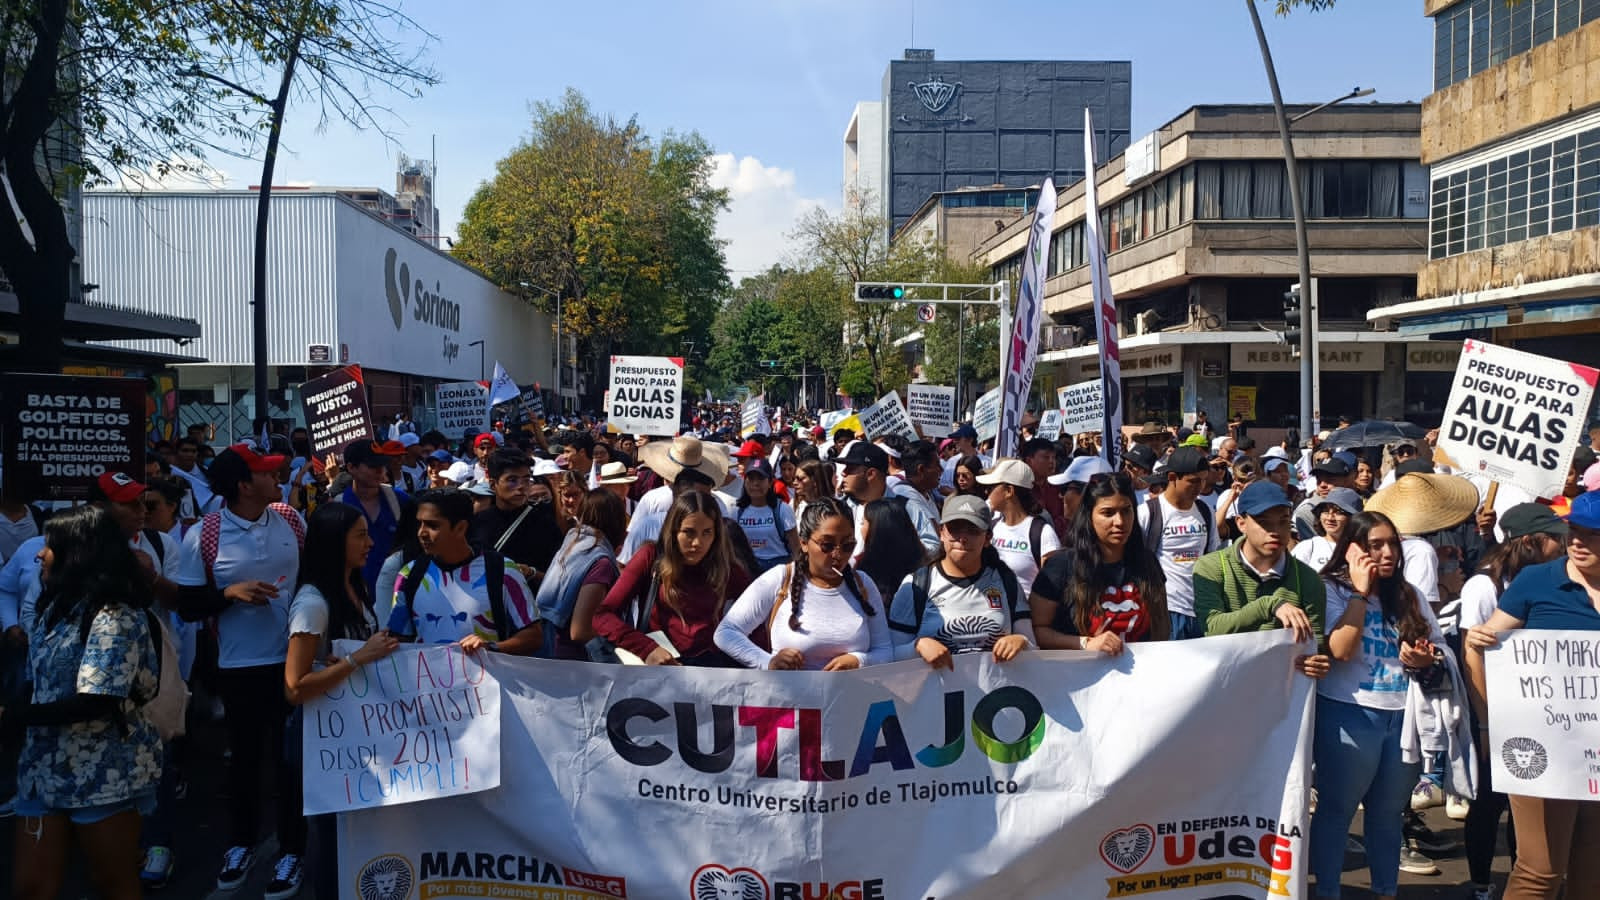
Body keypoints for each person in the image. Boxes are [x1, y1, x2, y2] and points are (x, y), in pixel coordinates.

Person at [3, 506, 160, 900]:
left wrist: (12, 716)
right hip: (43, 768)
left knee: (112, 884)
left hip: (103, 774)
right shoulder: (53, 608)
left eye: (50, 545)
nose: (40, 554)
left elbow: (97, 700)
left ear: (79, 552)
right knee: (31, 888)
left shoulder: (114, 616)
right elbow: (41, 685)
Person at [171, 444, 306, 895]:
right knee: (246, 760)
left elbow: (311, 581)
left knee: (291, 762)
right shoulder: (204, 534)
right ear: (244, 486)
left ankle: (293, 850)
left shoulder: (291, 518)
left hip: (295, 662)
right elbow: (188, 607)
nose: (277, 475)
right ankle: (241, 843)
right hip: (239, 666)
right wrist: (230, 594)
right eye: (266, 473)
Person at [1464, 490, 1600, 900]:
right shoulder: (1537, 580)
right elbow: (1479, 645)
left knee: (1592, 874)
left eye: (1590, 534)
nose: (1576, 541)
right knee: (1540, 870)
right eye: (1572, 531)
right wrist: (1491, 722)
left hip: (1596, 755)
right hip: (1542, 749)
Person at [1310, 510, 1445, 900]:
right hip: (1348, 713)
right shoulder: (1330, 588)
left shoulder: (1411, 595)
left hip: (1404, 718)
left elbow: (1437, 651)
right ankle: (1328, 892)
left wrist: (1425, 658)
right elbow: (1341, 650)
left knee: (1388, 816)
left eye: (1392, 544)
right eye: (1375, 546)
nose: (1388, 553)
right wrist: (1359, 591)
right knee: (1337, 810)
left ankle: (1386, 891)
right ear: (1352, 550)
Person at [282, 504, 399, 900]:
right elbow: (295, 687)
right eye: (360, 536)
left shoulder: (353, 586)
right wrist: (356, 659)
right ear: (335, 543)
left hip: (351, 734)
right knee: (332, 839)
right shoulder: (313, 603)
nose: (371, 543)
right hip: (321, 740)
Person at [1455, 504, 1566, 900]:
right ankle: (1481, 883)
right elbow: (1473, 654)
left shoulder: (1553, 582)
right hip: (1492, 710)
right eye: (1556, 537)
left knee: (1529, 799)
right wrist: (1485, 721)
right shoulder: (1483, 587)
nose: (1565, 544)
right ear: (1530, 542)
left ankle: (1526, 869)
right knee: (1488, 802)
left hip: (1534, 712)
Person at [715, 497, 892, 670]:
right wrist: (768, 662)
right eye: (827, 545)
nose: (838, 555)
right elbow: (726, 632)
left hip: (849, 697)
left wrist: (859, 660)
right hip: (790, 698)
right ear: (804, 543)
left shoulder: (864, 584)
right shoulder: (780, 578)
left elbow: (885, 651)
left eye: (847, 545)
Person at [595, 491, 750, 666]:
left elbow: (760, 614)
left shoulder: (725, 567)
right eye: (689, 532)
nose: (697, 542)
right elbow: (602, 615)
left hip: (710, 674)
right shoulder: (650, 557)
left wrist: (762, 660)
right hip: (659, 671)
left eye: (707, 532)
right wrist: (647, 649)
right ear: (673, 531)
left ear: (717, 534)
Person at [1194, 482, 1330, 677]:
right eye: (1264, 522)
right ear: (1241, 523)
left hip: (1278, 693)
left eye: (1283, 520)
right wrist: (1268, 605)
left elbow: (1314, 645)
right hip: (1223, 686)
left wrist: (1316, 663)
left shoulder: (1308, 579)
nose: (1275, 530)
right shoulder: (1211, 566)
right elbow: (1212, 629)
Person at [385, 489, 542, 655]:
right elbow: (399, 640)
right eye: (420, 523)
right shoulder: (409, 575)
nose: (421, 533)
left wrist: (491, 648)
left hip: (487, 679)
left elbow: (534, 635)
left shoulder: (503, 571)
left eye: (432, 525)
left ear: (460, 528)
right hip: (426, 680)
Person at [1028, 472, 1171, 653]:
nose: (1119, 521)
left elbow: (1161, 627)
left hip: (1138, 677)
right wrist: (1085, 644)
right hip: (1079, 677)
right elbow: (1036, 630)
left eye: (1126, 510)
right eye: (1108, 513)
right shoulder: (1061, 565)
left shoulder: (1148, 562)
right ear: (1089, 516)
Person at [891, 494, 1032, 667]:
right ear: (941, 533)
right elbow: (891, 655)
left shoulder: (1006, 581)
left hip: (997, 692)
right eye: (954, 528)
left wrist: (1021, 641)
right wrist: (917, 646)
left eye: (972, 530)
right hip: (934, 693)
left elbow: (1033, 648)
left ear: (987, 538)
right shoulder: (915, 586)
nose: (962, 538)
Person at [1136, 447, 1218, 640]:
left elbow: (1212, 557)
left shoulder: (1206, 512)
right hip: (1165, 610)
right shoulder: (1148, 512)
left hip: (1201, 609)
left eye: (1204, 479)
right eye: (1193, 481)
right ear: (1172, 477)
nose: (1200, 487)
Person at [533, 490, 625, 660]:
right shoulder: (600, 562)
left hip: (553, 647)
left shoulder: (574, 543)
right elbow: (581, 630)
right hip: (576, 663)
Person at [836, 442, 939, 560]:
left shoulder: (907, 508)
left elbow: (933, 547)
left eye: (850, 468)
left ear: (871, 474)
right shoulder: (841, 509)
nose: (843, 473)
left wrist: (897, 549)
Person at [471, 448, 562, 582]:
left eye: (526, 480)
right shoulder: (477, 522)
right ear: (492, 484)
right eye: (512, 480)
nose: (521, 487)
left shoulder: (544, 523)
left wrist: (532, 573)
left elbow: (560, 577)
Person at [337, 440, 410, 598]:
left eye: (382, 464)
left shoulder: (401, 501)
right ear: (351, 468)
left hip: (396, 597)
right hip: (354, 599)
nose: (380, 470)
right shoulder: (337, 507)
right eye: (372, 465)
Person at [979, 458, 1060, 598]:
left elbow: (1053, 588)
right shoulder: (993, 525)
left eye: (992, 487)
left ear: (1009, 491)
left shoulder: (1042, 533)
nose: (987, 492)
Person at [855, 498, 927, 602]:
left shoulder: (863, 571)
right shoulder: (922, 564)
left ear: (878, 530)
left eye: (863, 523)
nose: (861, 529)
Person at [735, 459, 798, 574]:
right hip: (749, 568)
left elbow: (795, 549)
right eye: (751, 478)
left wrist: (795, 574)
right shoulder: (737, 511)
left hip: (780, 568)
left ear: (770, 482)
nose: (755, 483)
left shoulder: (782, 509)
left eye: (760, 478)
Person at [1290, 487, 1363, 573]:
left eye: (1338, 512)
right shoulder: (1308, 547)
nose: (1330, 518)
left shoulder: (1363, 548)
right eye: (1325, 511)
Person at [791, 458, 835, 523]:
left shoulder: (833, 507)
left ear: (815, 480)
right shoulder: (794, 504)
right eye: (794, 479)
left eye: (800, 479)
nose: (794, 483)